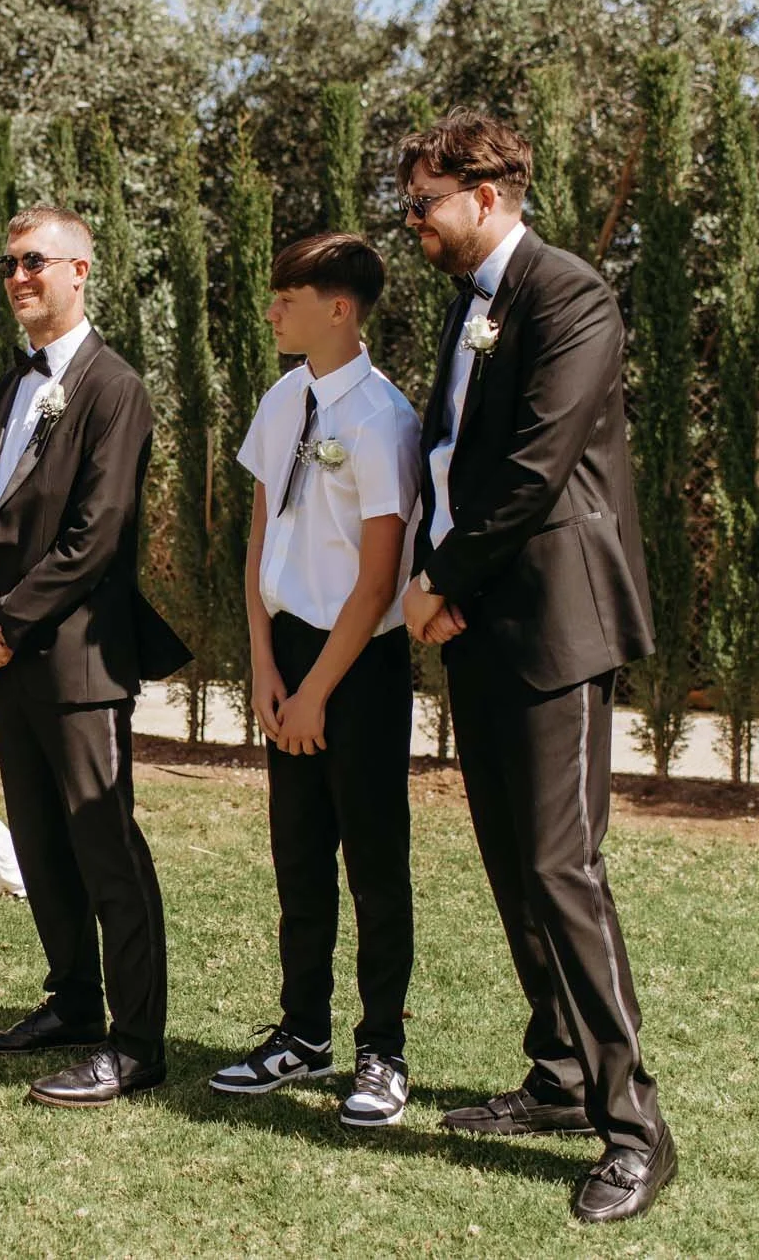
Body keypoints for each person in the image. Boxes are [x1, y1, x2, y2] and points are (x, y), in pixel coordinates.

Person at [396, 110, 673, 1222]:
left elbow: (531, 470)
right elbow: (449, 457)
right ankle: (559, 1074)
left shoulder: (567, 295)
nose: (413, 222)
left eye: (424, 202)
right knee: (514, 864)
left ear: (489, 194)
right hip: (481, 622)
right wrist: (440, 576)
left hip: (555, 619)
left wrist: (439, 579)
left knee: (562, 867)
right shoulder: (473, 305)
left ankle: (634, 1129)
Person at [0, 205, 191, 1108]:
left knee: (106, 850)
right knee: (42, 846)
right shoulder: (11, 386)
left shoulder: (113, 387)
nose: (18, 276)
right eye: (8, 263)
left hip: (79, 660)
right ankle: (71, 1004)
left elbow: (98, 535)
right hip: (8, 655)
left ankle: (137, 1044)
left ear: (80, 271)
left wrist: (9, 621)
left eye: (34, 262)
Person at [209, 233, 420, 1129]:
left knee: (373, 862)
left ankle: (383, 1052)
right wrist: (263, 666)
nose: (271, 310)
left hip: (357, 666)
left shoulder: (384, 418)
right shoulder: (282, 397)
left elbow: (378, 581)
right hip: (285, 658)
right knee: (297, 858)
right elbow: (260, 537)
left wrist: (319, 692)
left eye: (286, 297)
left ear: (339, 307)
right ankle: (302, 1032)